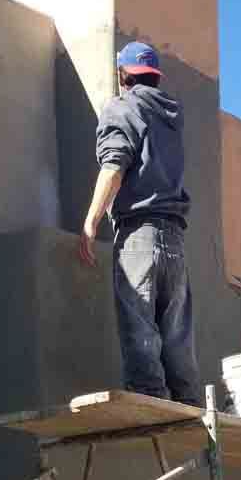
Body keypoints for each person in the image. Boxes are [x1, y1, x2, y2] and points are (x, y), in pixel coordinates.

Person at [79, 40, 202, 406]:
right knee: (177, 336)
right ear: (154, 77)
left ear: (123, 75)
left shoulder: (123, 107)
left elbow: (114, 165)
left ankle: (150, 404)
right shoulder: (171, 116)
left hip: (139, 236)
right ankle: (190, 407)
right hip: (175, 239)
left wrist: (91, 221)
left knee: (140, 331)